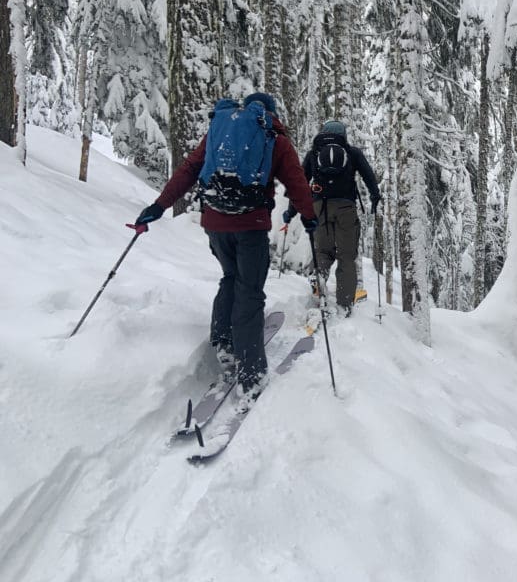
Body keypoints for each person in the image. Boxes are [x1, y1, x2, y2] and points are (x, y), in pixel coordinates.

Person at [134, 92, 317, 397]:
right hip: (251, 225)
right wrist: (309, 217)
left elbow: (189, 169)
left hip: (215, 225)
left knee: (230, 276)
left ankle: (223, 341)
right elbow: (297, 183)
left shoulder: (220, 132)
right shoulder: (274, 137)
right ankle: (251, 373)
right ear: (270, 112)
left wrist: (159, 205)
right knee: (250, 291)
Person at [284, 120, 380, 317]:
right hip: (346, 207)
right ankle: (345, 304)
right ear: (343, 135)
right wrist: (375, 196)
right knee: (346, 255)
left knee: (324, 251)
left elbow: (300, 183)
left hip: (320, 207)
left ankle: (319, 276)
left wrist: (290, 211)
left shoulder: (314, 153)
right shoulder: (352, 153)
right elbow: (369, 176)